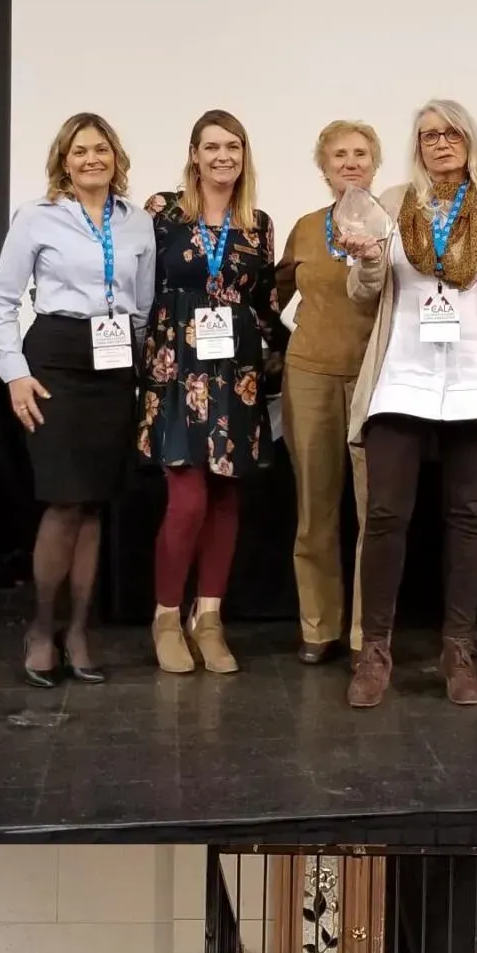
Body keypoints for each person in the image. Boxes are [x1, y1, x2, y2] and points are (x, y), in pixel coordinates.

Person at [339, 98, 477, 710]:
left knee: (469, 519)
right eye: (428, 135)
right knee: (385, 517)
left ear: (469, 140)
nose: (440, 143)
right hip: (402, 375)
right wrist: (369, 260)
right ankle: (375, 650)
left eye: (451, 133)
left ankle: (457, 648)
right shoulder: (393, 203)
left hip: (476, 378)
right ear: (417, 145)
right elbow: (362, 293)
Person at [0, 113, 154, 688]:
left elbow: (142, 307)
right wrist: (13, 372)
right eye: (80, 151)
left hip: (112, 367)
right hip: (54, 360)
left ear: (116, 157)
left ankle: (80, 631)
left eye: (101, 149)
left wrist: (135, 372)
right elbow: (2, 298)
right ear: (64, 160)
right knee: (62, 502)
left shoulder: (137, 223)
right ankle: (40, 630)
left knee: (94, 504)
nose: (91, 159)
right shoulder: (36, 218)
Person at [138, 108, 284, 677]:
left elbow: (265, 304)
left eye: (234, 147)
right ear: (194, 154)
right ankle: (167, 616)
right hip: (176, 371)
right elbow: (141, 286)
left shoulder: (258, 223)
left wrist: (301, 344)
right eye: (212, 146)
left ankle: (211, 619)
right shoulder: (163, 212)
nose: (223, 156)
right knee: (188, 499)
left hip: (236, 376)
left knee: (226, 500)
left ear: (245, 156)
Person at [276, 120, 382, 664]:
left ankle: (368, 635)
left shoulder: (397, 224)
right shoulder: (302, 228)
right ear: (323, 167)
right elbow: (272, 297)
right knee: (315, 509)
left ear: (375, 163)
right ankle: (318, 628)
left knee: (373, 513)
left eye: (360, 153)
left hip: (375, 377)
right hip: (310, 374)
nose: (350, 162)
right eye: (339, 154)